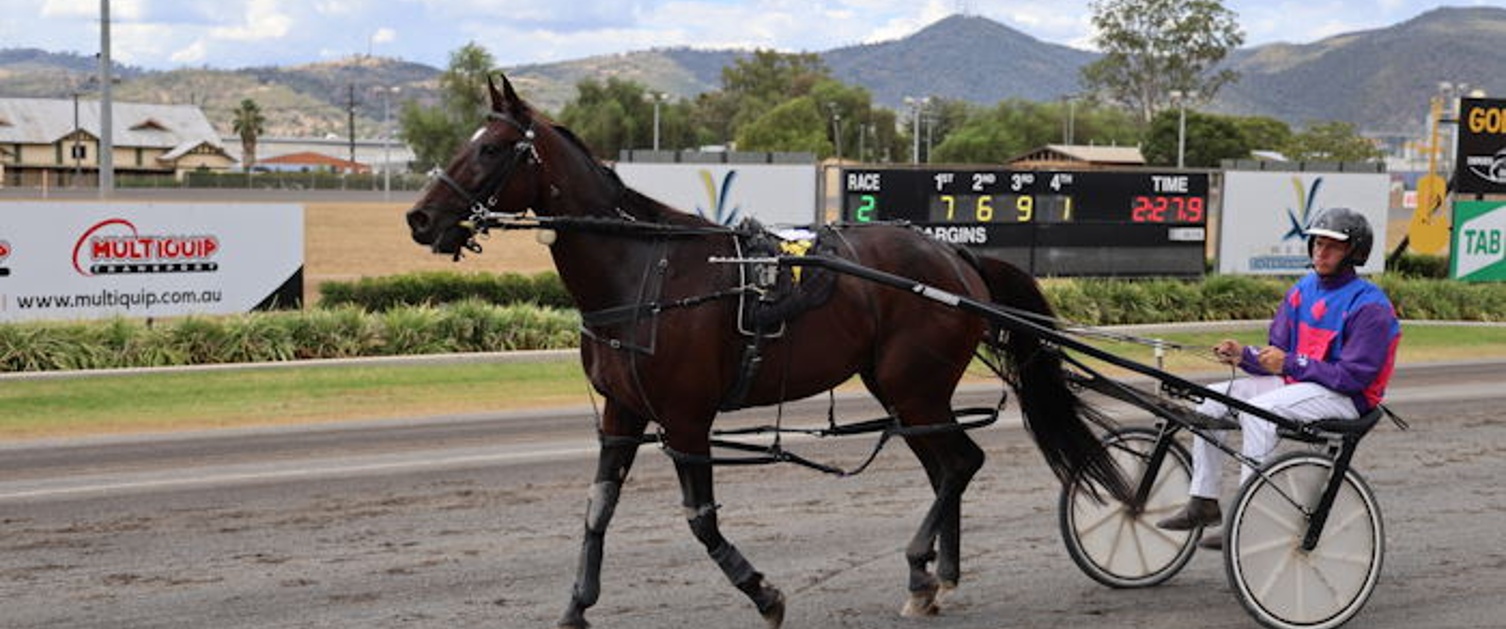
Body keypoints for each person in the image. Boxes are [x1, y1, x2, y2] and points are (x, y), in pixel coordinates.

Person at [1156, 207, 1401, 550]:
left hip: (1348, 398)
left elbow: (1351, 378)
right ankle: (1203, 501)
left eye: (1333, 246)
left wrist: (1290, 363)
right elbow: (1279, 355)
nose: (1321, 252)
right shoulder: (1302, 290)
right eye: (1318, 243)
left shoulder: (1370, 307)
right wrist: (1244, 355)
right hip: (1300, 385)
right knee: (1210, 399)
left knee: (1259, 413)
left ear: (1355, 253)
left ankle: (1249, 519)